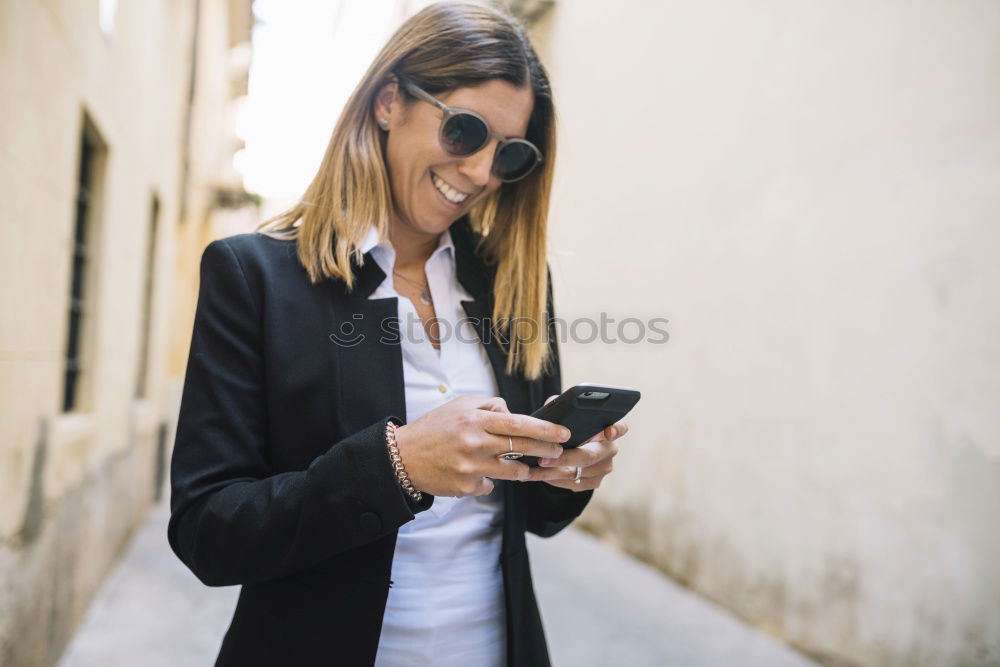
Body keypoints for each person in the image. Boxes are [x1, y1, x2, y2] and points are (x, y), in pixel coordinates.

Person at [167, 2, 628, 665]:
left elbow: (534, 520)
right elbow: (209, 531)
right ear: (389, 100)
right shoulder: (252, 276)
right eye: (464, 132)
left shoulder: (512, 284)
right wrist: (396, 465)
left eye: (510, 154)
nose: (479, 174)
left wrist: (568, 472)